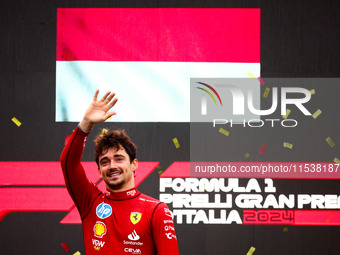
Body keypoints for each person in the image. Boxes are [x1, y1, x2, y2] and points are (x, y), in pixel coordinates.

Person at [60, 90, 179, 255]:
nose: (112, 166)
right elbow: (68, 164)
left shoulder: (156, 210)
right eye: (104, 162)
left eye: (119, 159)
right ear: (99, 170)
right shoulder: (90, 201)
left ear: (134, 164)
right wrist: (86, 123)